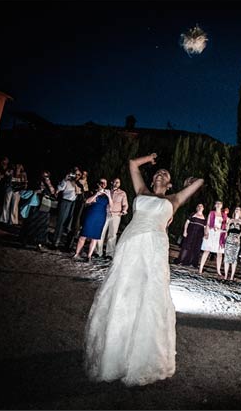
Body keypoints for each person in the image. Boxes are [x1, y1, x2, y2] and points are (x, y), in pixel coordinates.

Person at [84, 152, 204, 386]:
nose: (160, 174)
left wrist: (190, 182)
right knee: (124, 289)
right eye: (158, 173)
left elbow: (199, 182)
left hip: (155, 246)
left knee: (150, 293)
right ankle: (115, 350)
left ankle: (143, 354)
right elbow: (131, 164)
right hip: (131, 241)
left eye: (165, 175)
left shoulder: (174, 199)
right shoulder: (141, 192)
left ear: (170, 184)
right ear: (152, 180)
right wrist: (149, 158)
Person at [73, 178, 112, 261]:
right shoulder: (92, 191)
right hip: (91, 215)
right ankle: (76, 254)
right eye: (102, 182)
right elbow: (87, 201)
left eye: (105, 182)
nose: (103, 184)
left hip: (101, 217)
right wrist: (97, 194)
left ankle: (89, 256)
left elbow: (111, 206)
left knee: (95, 237)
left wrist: (109, 196)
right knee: (83, 235)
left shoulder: (107, 194)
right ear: (98, 183)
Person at [19, 170, 55, 250]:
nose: (45, 177)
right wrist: (35, 191)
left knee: (42, 226)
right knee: (30, 224)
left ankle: (39, 244)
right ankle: (25, 241)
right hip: (34, 205)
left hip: (44, 207)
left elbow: (53, 193)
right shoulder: (35, 182)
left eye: (47, 176)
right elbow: (25, 191)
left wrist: (49, 183)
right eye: (43, 176)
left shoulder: (49, 184)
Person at [95, 177, 129, 259]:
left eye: (118, 182)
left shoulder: (122, 193)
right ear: (111, 182)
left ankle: (109, 254)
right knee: (101, 233)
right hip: (105, 214)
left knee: (112, 235)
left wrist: (124, 211)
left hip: (116, 215)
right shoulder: (107, 191)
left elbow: (125, 204)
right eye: (115, 182)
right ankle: (97, 252)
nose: (117, 183)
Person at [52, 167, 81, 248]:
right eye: (76, 174)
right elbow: (59, 188)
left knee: (70, 225)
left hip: (74, 204)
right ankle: (56, 241)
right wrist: (65, 179)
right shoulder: (67, 181)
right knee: (61, 222)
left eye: (79, 174)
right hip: (66, 202)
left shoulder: (79, 184)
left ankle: (66, 243)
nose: (77, 176)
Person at [198, 201, 228, 276]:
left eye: (220, 204)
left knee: (219, 253)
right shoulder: (212, 213)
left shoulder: (224, 215)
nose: (218, 205)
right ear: (215, 205)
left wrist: (223, 233)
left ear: (222, 206)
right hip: (211, 232)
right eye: (217, 203)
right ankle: (201, 268)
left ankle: (218, 270)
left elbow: (225, 226)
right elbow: (208, 223)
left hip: (219, 234)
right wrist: (206, 233)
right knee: (207, 251)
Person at [177, 203, 206, 267]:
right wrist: (185, 231)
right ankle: (181, 261)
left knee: (195, 248)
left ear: (203, 208)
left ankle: (191, 263)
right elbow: (187, 223)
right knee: (186, 246)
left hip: (199, 235)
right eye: (199, 206)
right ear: (197, 207)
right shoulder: (193, 214)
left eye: (201, 206)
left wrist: (205, 234)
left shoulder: (205, 217)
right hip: (191, 232)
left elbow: (205, 227)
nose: (200, 207)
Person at [223, 207, 241, 280]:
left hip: (236, 239)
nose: (237, 210)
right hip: (229, 238)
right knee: (226, 257)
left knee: (234, 258)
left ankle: (232, 276)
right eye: (236, 209)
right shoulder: (230, 220)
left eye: (239, 209)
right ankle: (226, 275)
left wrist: (238, 237)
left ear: (240, 211)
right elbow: (227, 229)